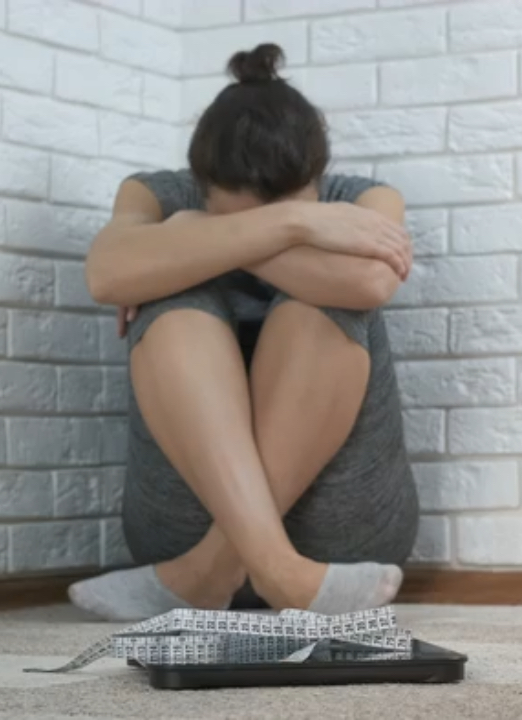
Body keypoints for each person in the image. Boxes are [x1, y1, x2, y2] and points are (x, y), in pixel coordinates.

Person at [67, 43, 420, 622]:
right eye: (241, 213)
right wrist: (296, 224)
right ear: (200, 182)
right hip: (177, 525)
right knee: (174, 305)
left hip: (345, 533)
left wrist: (194, 237)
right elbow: (106, 275)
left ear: (317, 177)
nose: (274, 219)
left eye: (292, 207)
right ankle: (282, 574)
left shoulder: (363, 199)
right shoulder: (155, 193)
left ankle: (210, 572)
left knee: (320, 306)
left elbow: (368, 283)